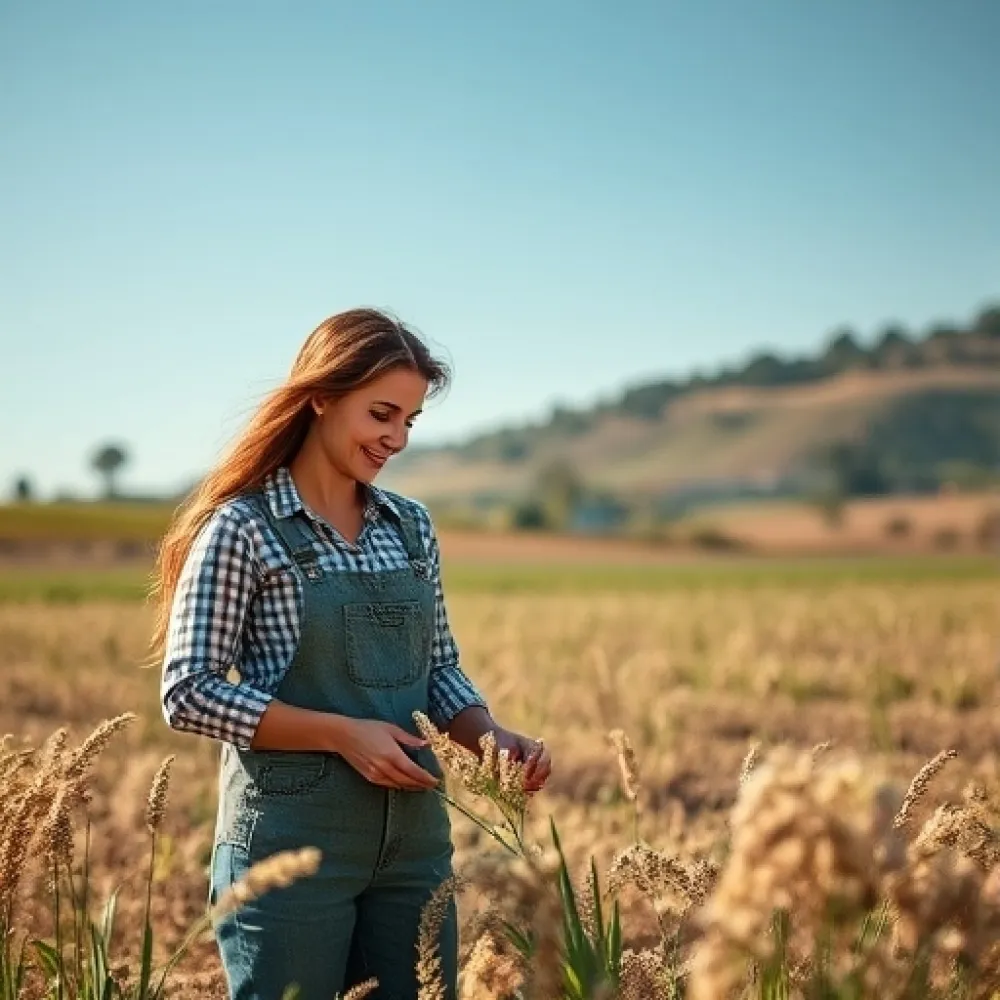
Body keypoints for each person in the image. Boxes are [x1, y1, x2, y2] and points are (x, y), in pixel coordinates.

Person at [152, 309, 552, 1000]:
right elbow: (189, 690)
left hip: (415, 847)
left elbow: (438, 671)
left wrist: (492, 739)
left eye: (410, 421)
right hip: (290, 847)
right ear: (322, 397)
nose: (395, 437)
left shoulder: (410, 526)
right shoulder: (242, 529)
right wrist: (343, 734)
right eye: (381, 414)